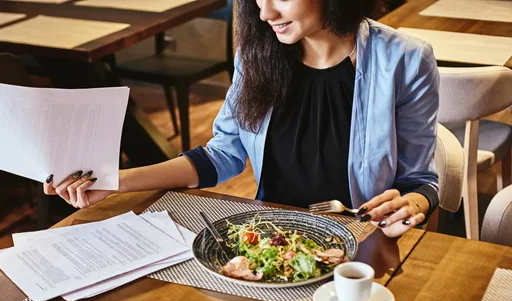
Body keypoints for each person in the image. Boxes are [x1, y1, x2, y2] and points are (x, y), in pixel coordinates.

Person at [43, 0, 440, 239]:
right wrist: (115, 183)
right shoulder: (258, 58)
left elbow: (420, 180)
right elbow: (220, 156)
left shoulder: (404, 60)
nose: (265, 13)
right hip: (271, 241)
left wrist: (413, 202)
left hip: (361, 242)